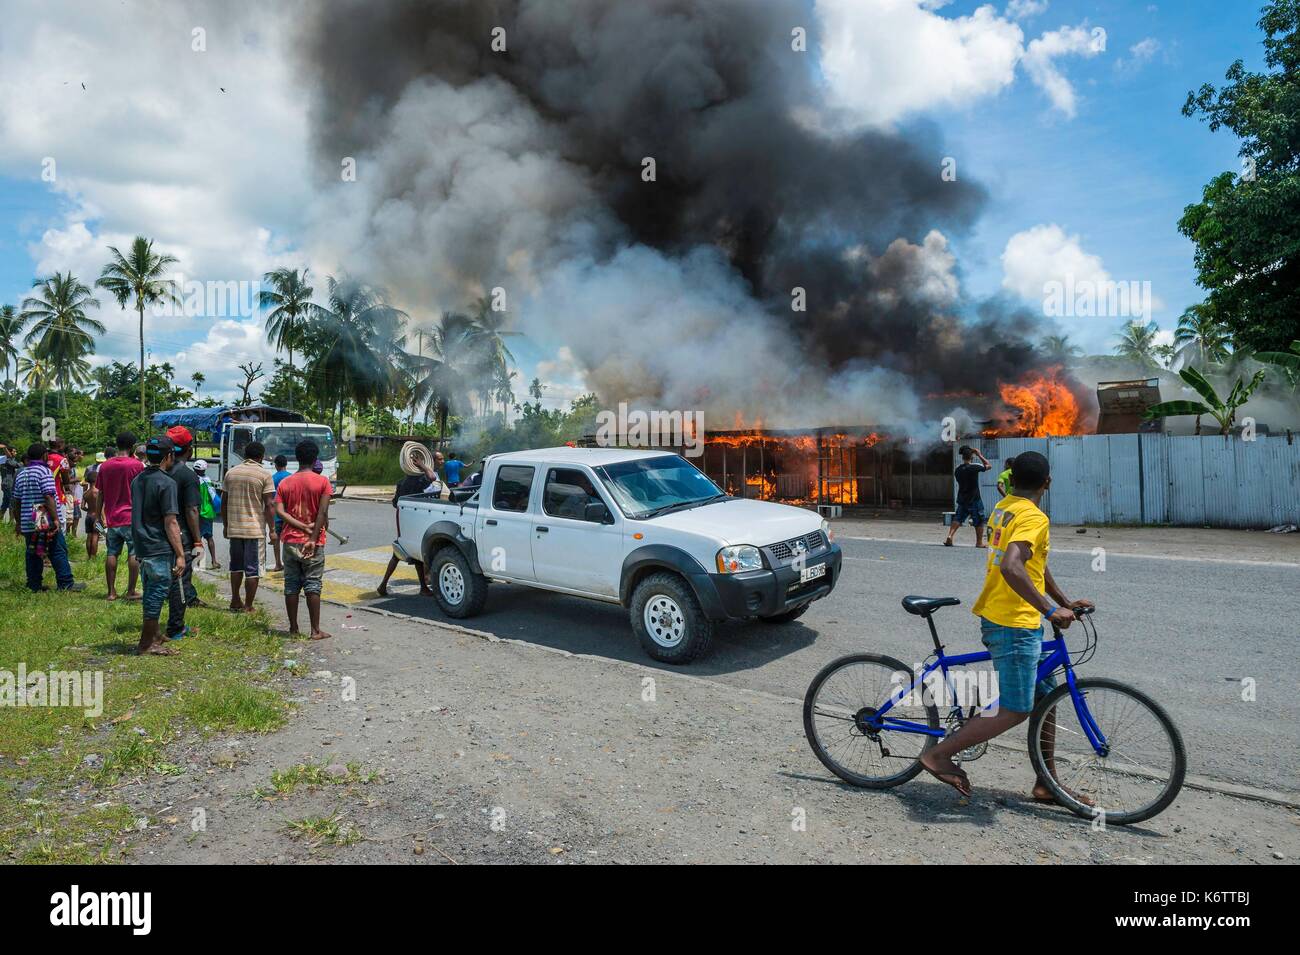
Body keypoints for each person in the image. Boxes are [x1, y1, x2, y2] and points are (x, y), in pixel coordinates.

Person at [919, 451, 1094, 801]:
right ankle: (938, 755)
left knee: (1046, 699)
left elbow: (1033, 562)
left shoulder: (1005, 507)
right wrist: (1050, 610)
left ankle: (1046, 783)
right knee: (1016, 708)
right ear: (1047, 483)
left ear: (1011, 480)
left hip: (1014, 617)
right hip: (1013, 623)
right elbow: (1012, 566)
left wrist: (1064, 601)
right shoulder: (1033, 516)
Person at [130, 436, 186, 656]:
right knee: (157, 592)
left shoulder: (138, 479)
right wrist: (180, 555)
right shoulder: (167, 482)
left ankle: (154, 635)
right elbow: (170, 521)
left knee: (150, 589)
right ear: (168, 456)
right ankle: (146, 644)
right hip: (158, 545)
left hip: (142, 545)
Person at [275, 439, 333, 640]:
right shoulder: (323, 482)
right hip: (314, 542)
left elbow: (280, 511)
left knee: (291, 584)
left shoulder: (285, 483)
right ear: (315, 458)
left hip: (290, 541)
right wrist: (313, 537)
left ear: (296, 458)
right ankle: (315, 630)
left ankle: (293, 628)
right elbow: (322, 512)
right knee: (313, 584)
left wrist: (299, 526)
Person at [12, 443, 81, 592]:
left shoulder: (21, 473)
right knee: (57, 549)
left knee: (33, 552)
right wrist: (55, 519)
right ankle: (66, 583)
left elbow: (16, 501)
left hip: (27, 518)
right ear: (44, 455)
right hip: (43, 516)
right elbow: (48, 496)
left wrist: (18, 522)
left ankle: (33, 584)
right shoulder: (44, 471)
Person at [223, 440, 276, 612]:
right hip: (254, 530)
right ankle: (248, 606)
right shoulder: (264, 475)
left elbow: (224, 502)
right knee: (253, 570)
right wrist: (272, 530)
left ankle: (235, 600)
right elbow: (269, 505)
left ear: (245, 455)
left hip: (234, 529)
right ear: (261, 457)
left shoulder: (231, 473)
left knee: (236, 566)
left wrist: (226, 525)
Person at [376, 457, 437, 598]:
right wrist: (423, 466)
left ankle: (383, 585)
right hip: (416, 521)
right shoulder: (420, 480)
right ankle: (423, 588)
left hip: (404, 522)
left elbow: (395, 503)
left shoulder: (401, 482)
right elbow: (432, 477)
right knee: (416, 554)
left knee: (398, 554)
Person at [97, 431, 144, 601]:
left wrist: (98, 515)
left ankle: (111, 592)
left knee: (111, 553)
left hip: (112, 518)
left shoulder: (105, 466)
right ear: (132, 446)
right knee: (133, 553)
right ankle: (130, 591)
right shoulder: (137, 465)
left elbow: (100, 493)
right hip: (131, 517)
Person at [165, 426, 205, 618]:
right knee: (181, 576)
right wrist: (197, 540)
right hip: (181, 533)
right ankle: (176, 623)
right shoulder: (188, 475)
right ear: (189, 449)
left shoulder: (157, 472)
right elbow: (192, 510)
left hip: (159, 532)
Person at [943, 445, 991, 548]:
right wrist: (979, 454)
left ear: (962, 457)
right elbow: (988, 465)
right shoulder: (974, 467)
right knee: (979, 521)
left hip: (962, 498)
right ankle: (979, 542)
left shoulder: (958, 470)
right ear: (972, 457)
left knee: (958, 518)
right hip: (974, 499)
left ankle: (950, 536)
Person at [194, 459, 221, 568]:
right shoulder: (208, 480)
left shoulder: (195, 481)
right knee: (209, 537)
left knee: (197, 538)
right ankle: (214, 561)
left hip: (200, 511)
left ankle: (199, 562)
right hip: (209, 511)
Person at [270, 454, 291, 572]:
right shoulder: (291, 477)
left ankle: (278, 563)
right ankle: (289, 564)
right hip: (290, 515)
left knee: (276, 540)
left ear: (276, 465)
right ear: (286, 464)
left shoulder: (272, 478)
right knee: (288, 539)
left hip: (277, 515)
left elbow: (270, 499)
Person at [82, 452, 104, 558]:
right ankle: (94, 556)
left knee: (89, 536)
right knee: (96, 535)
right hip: (97, 517)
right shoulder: (98, 492)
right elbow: (102, 506)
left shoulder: (85, 493)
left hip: (88, 517)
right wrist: (103, 518)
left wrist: (89, 510)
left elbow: (82, 507)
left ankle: (89, 556)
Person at [0, 443, 20, 520]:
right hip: (9, 485)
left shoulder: (3, 460)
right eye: (14, 451)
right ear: (10, 452)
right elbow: (18, 465)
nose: (16, 453)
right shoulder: (8, 461)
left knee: (5, 504)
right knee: (12, 503)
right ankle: (11, 522)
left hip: (6, 484)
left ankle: (1, 520)